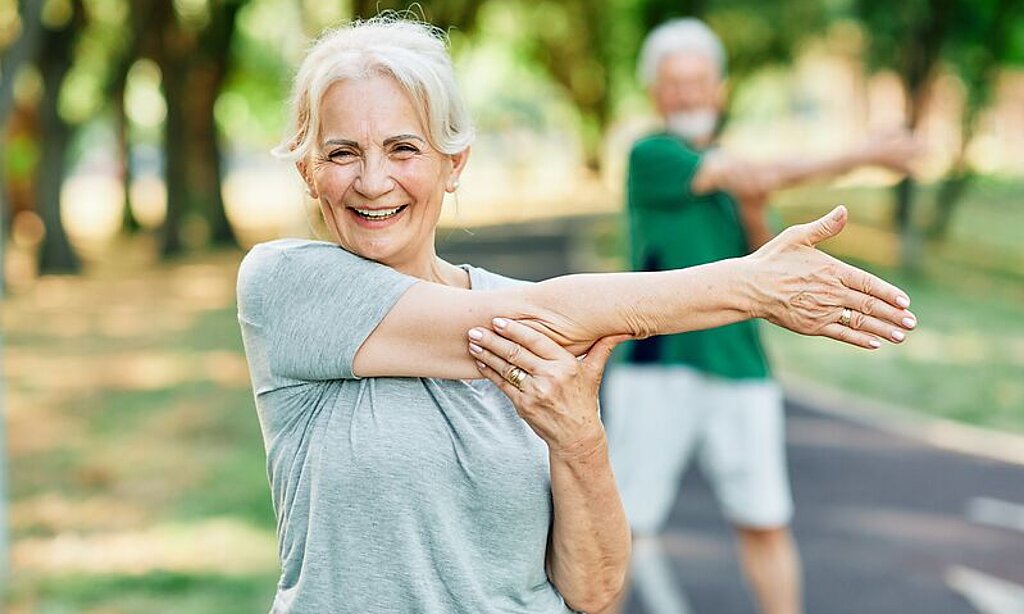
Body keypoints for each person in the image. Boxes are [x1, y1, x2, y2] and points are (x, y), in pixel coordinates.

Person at [236, 15, 917, 614]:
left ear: (455, 163)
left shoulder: (539, 319)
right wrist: (752, 287)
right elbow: (537, 314)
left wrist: (580, 441)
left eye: (403, 148)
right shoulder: (287, 286)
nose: (373, 181)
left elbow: (592, 592)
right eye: (342, 152)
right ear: (308, 171)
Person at [603, 18, 922, 614]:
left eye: (699, 82)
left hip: (741, 367)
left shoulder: (736, 173)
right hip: (658, 366)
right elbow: (747, 171)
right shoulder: (653, 155)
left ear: (719, 89)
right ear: (654, 93)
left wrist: (754, 207)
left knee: (765, 523)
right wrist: (864, 154)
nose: (688, 94)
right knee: (621, 527)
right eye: (674, 84)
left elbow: (764, 255)